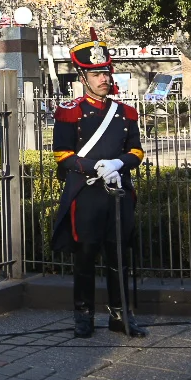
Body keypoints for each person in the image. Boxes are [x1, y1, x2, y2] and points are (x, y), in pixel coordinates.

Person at [50, 36, 147, 338]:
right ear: (83, 78)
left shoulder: (126, 113)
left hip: (118, 193)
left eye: (106, 72)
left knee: (119, 257)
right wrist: (96, 167)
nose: (104, 79)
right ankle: (84, 315)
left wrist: (118, 165)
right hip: (87, 194)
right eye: (96, 74)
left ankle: (120, 316)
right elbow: (62, 155)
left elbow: (137, 151)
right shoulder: (71, 111)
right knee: (86, 256)